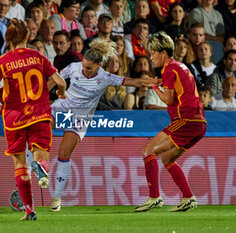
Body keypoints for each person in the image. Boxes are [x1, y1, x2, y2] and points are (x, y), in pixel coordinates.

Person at [49, 38, 160, 212]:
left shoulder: (105, 77)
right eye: (84, 65)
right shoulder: (73, 67)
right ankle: (36, 165)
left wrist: (154, 82)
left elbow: (134, 82)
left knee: (64, 152)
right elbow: (53, 80)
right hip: (61, 109)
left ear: (99, 65)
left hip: (80, 118)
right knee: (38, 128)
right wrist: (39, 97)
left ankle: (56, 198)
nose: (85, 70)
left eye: (89, 68)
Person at [0, 18, 66, 221]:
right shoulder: (38, 57)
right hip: (39, 114)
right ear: (28, 36)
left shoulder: (1, 62)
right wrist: (61, 92)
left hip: (14, 119)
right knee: (42, 157)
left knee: (20, 163)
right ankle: (41, 168)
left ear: (8, 38)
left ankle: (30, 210)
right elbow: (59, 81)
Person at [135, 32, 206, 212]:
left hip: (187, 119)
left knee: (147, 150)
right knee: (167, 158)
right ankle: (188, 197)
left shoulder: (168, 69)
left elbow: (169, 100)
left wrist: (154, 86)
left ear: (163, 53)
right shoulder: (179, 66)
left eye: (153, 53)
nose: (150, 57)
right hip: (199, 123)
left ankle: (154, 197)